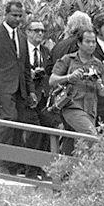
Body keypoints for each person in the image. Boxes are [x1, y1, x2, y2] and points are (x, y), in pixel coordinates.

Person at [0, 1, 37, 175]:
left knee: (19, 124)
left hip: (21, 88)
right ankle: (0, 162)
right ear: (6, 14)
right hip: (2, 86)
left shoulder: (22, 36)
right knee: (8, 120)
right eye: (14, 15)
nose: (18, 19)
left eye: (20, 15)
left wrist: (31, 90)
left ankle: (12, 165)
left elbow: (26, 67)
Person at [49, 27, 104, 138]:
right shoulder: (68, 59)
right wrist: (69, 77)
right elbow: (52, 80)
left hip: (90, 109)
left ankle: (62, 155)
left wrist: (99, 84)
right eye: (87, 41)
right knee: (90, 135)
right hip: (72, 105)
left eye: (93, 42)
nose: (91, 45)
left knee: (76, 142)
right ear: (79, 43)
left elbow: (103, 92)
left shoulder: (98, 64)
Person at [21, 18, 60, 179]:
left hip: (44, 96)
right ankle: (29, 170)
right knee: (33, 133)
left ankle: (42, 169)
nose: (40, 34)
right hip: (27, 97)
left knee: (47, 130)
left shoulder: (46, 51)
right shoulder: (21, 50)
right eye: (36, 30)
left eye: (42, 31)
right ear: (28, 32)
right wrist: (28, 74)